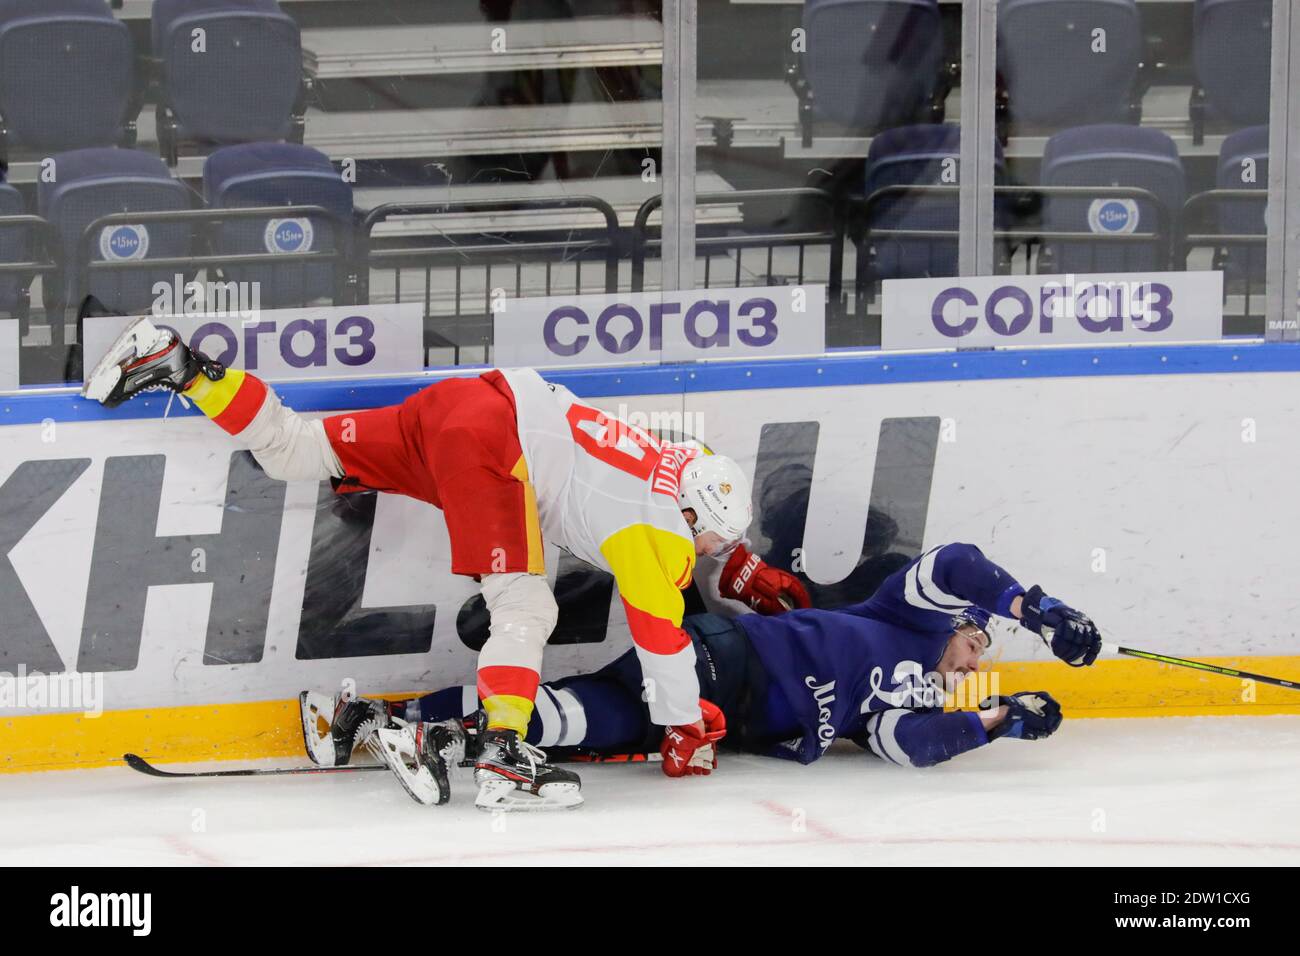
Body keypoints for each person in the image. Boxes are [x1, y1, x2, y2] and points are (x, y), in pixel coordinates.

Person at [81, 316, 809, 810]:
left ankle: (182, 366)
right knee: (527, 607)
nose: (710, 555)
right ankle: (502, 754)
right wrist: (684, 727)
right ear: (690, 520)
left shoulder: (664, 463)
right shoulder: (661, 536)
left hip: (469, 403)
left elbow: (656, 517)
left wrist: (733, 562)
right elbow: (663, 641)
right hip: (495, 446)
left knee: (297, 446)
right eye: (713, 543)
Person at [309, 542, 1099, 802]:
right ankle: (414, 721)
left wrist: (1000, 721)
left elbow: (915, 746)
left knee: (573, 722)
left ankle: (382, 722)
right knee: (580, 717)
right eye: (980, 645)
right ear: (962, 623)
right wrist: (1039, 609)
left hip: (708, 721)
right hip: (723, 658)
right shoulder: (908, 616)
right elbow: (958, 561)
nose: (977, 663)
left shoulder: (905, 704)